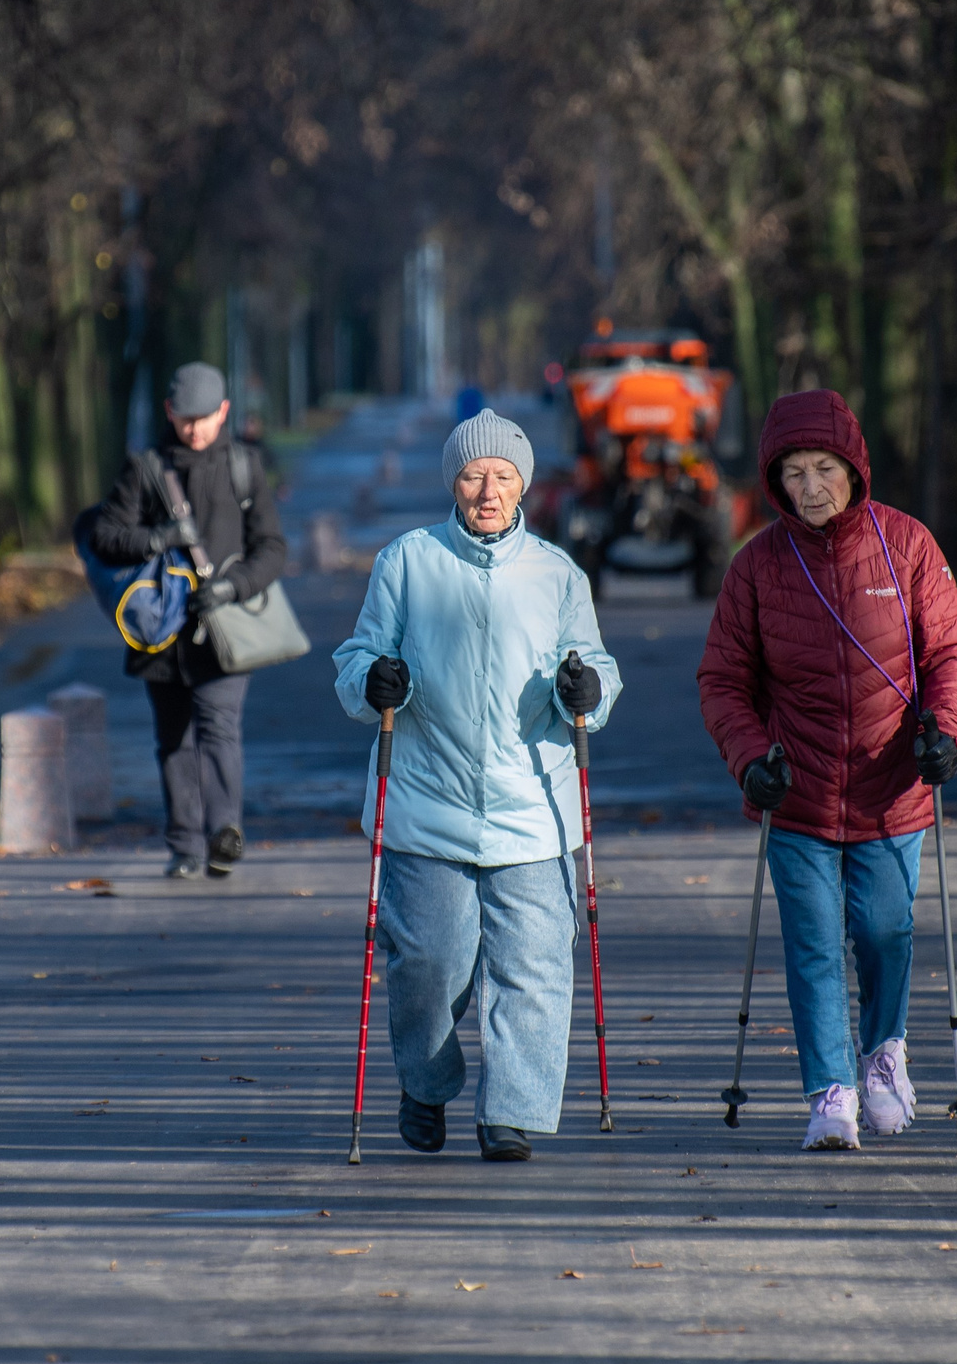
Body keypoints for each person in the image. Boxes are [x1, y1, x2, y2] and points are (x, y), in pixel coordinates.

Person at [332, 409, 623, 1162]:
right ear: (452, 484)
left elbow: (596, 666)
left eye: (502, 475)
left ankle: (513, 1113)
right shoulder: (406, 561)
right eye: (471, 475)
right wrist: (374, 679)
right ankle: (425, 1085)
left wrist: (585, 688)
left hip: (534, 807)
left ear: (523, 482)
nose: (487, 490)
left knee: (535, 962)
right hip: (428, 805)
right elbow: (356, 657)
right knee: (429, 963)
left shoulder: (558, 573)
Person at [696, 389, 957, 1151]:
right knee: (815, 940)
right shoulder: (756, 567)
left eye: (824, 468)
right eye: (793, 472)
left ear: (854, 469)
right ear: (774, 479)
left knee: (886, 930)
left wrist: (946, 733)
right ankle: (830, 1090)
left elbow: (952, 651)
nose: (811, 486)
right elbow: (722, 679)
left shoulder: (908, 546)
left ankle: (884, 1056)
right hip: (799, 792)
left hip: (894, 787)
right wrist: (751, 758)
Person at [80, 362, 289, 879]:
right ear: (169, 412)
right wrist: (156, 540)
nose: (194, 429)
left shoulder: (244, 466)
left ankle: (223, 832)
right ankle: (185, 845)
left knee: (219, 727)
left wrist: (233, 587)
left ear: (224, 411)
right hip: (162, 632)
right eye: (184, 418)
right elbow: (103, 535)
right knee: (173, 737)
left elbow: (272, 547)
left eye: (205, 418)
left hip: (225, 627)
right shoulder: (146, 467)